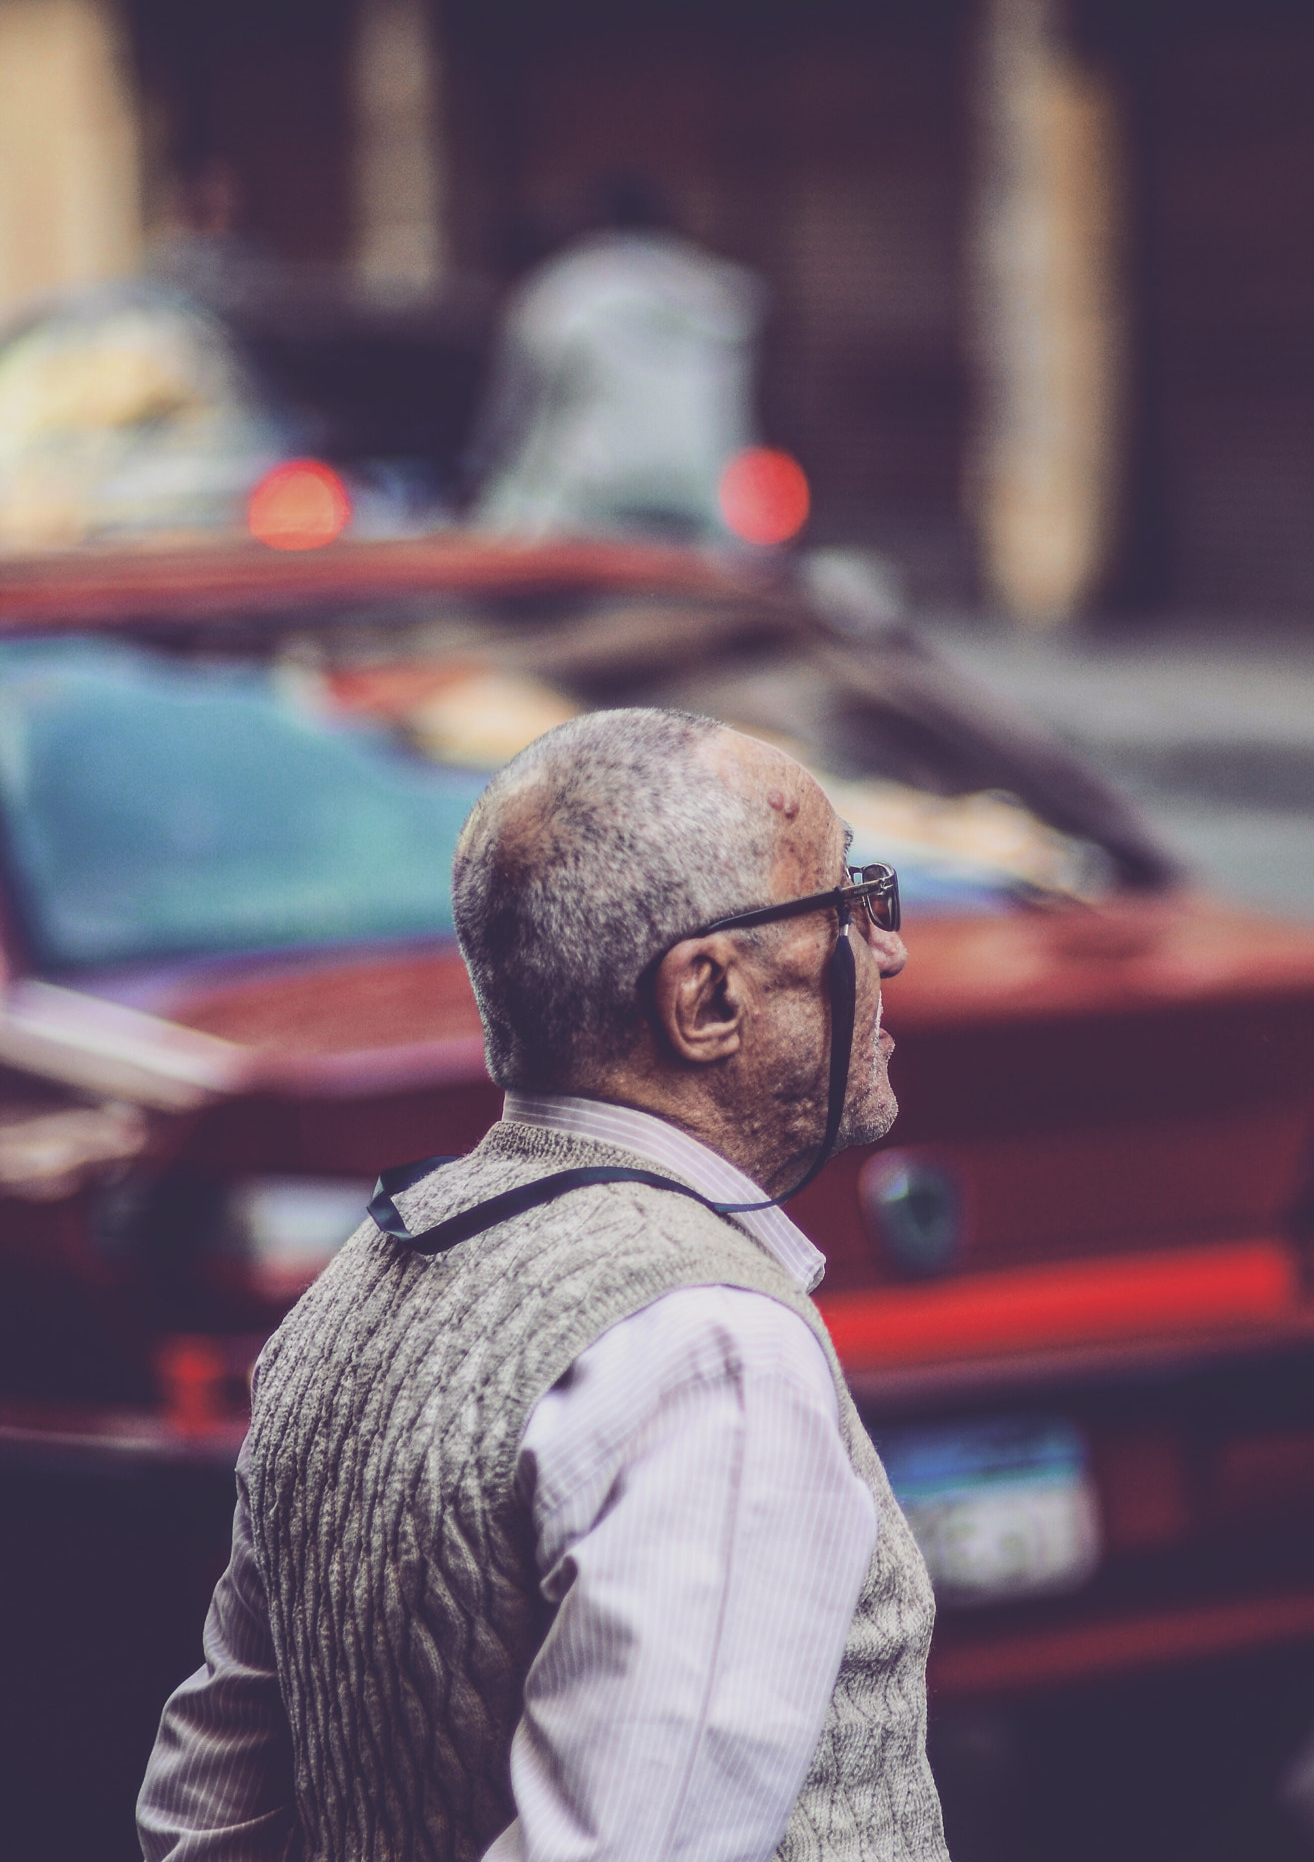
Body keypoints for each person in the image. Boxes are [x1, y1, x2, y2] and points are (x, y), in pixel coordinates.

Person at [136, 708, 949, 1862]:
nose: (887, 947)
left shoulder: (349, 1292)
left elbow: (206, 1815)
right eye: (845, 906)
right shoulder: (706, 1348)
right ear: (705, 997)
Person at [470, 176, 765, 543]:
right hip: (706, 505)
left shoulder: (562, 292)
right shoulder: (719, 295)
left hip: (577, 509)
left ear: (592, 221)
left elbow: (509, 416)